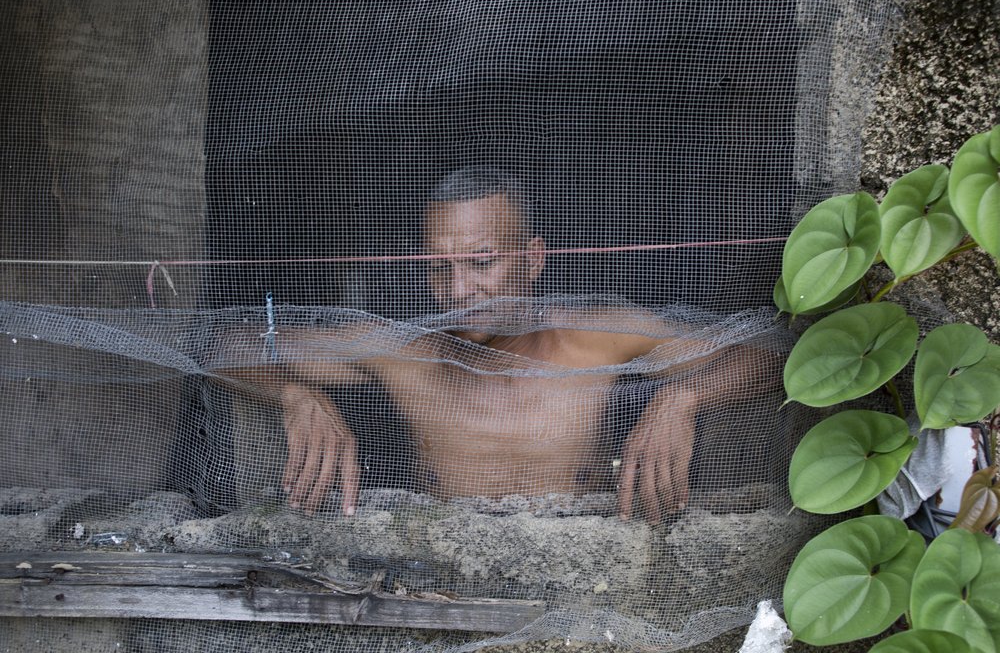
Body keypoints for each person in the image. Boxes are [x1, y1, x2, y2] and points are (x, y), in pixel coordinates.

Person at [218, 167, 775, 524]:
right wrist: (294, 395)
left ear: (533, 259)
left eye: (482, 262)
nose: (460, 292)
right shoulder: (401, 353)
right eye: (440, 269)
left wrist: (682, 400)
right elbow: (220, 346)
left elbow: (771, 355)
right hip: (443, 586)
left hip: (584, 579)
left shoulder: (599, 337)